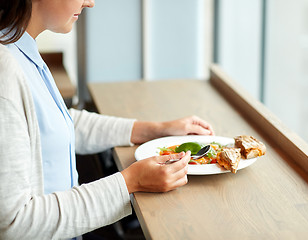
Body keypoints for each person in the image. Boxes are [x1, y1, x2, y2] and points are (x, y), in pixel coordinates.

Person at [0, 0, 214, 239]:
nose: (90, 2)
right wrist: (131, 181)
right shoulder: (5, 71)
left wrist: (155, 129)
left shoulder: (18, 47)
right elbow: (14, 223)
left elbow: (52, 124)